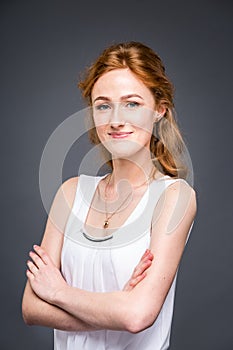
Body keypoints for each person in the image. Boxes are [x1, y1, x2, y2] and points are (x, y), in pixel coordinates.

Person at [22, 41, 197, 349]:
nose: (116, 120)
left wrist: (59, 292)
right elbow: (31, 308)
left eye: (132, 103)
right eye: (103, 105)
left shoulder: (174, 197)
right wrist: (115, 305)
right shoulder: (71, 193)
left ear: (159, 109)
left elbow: (137, 315)